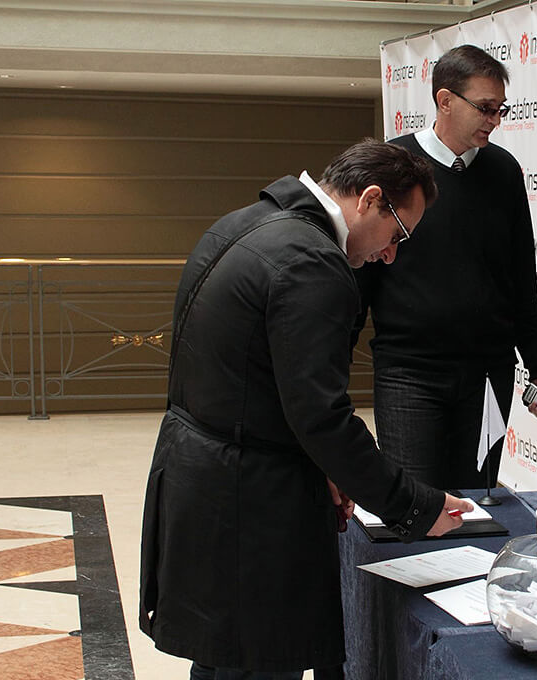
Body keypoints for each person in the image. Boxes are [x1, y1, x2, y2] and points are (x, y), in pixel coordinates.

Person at [139, 140, 473, 680]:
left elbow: (264, 382)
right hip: (252, 503)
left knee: (224, 662)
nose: (391, 254)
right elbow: (322, 416)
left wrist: (328, 466)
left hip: (204, 476)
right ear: (369, 199)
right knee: (257, 663)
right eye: (398, 234)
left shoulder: (244, 223)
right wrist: (415, 505)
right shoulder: (311, 262)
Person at [353, 44, 537, 490]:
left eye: (500, 109)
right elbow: (360, 273)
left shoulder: (504, 171)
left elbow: (521, 277)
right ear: (445, 100)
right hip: (409, 372)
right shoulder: (395, 166)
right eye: (485, 108)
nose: (494, 120)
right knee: (414, 503)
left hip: (488, 375)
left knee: (477, 502)